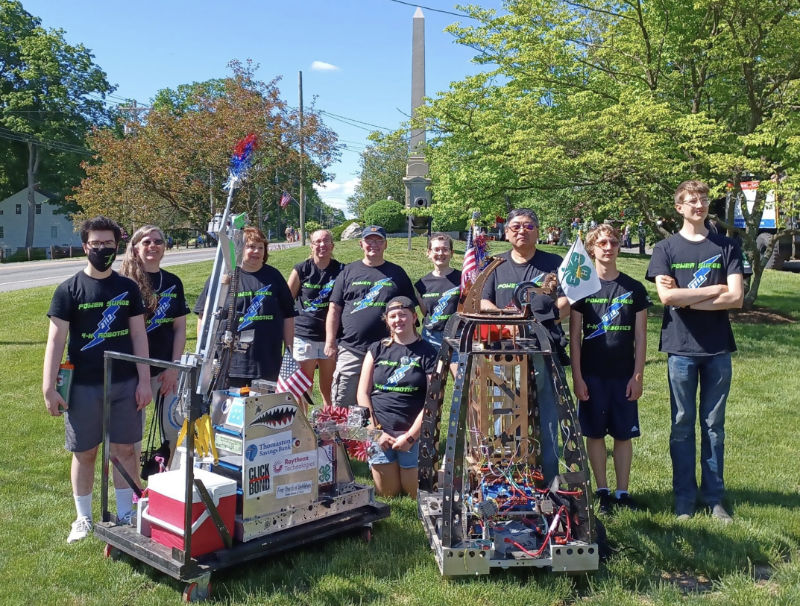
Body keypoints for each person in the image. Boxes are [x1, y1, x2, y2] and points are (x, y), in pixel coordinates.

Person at [43, 216, 152, 543]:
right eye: (96, 244)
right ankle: (83, 518)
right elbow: (56, 340)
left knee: (124, 451)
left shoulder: (127, 288)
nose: (102, 249)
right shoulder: (69, 290)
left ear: (117, 246)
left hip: (125, 384)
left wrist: (144, 380)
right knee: (85, 452)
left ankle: (125, 513)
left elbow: (139, 335)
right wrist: (49, 386)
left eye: (109, 244)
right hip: (84, 387)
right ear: (85, 246)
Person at [646, 180, 744, 522]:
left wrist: (688, 298)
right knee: (682, 424)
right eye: (690, 200)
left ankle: (715, 498)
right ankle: (685, 498)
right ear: (679, 207)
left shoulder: (727, 246)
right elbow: (666, 299)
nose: (698, 205)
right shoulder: (665, 249)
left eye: (702, 199)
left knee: (714, 425)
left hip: (718, 349)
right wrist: (714, 290)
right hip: (681, 349)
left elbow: (735, 298)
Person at [480, 208, 568, 482]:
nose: (522, 231)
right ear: (506, 232)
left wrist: (537, 320)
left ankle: (551, 484)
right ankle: (506, 484)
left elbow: (567, 302)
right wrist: (508, 323)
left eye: (528, 226)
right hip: (503, 356)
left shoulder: (554, 263)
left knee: (548, 420)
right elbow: (483, 302)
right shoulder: (494, 265)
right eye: (515, 226)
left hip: (544, 351)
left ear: (538, 231)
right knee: (502, 420)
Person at [570, 225, 651, 514]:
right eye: (602, 242)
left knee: (623, 434)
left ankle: (622, 491)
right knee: (594, 434)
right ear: (592, 248)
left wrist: (637, 376)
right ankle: (602, 490)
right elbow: (575, 338)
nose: (608, 247)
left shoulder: (634, 289)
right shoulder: (583, 290)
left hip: (623, 374)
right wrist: (577, 377)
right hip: (592, 375)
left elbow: (641, 337)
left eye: (613, 242)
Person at [325, 225, 417, 408]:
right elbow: (334, 309)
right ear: (361, 243)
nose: (373, 244)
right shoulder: (348, 272)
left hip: (387, 349)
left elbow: (410, 311)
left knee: (385, 399)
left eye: (378, 240)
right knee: (344, 399)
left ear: (385, 245)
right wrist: (330, 340)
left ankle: (379, 433)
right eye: (369, 240)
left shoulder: (397, 273)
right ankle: (343, 436)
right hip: (352, 348)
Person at [357, 296, 437, 498]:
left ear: (414, 317)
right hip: (381, 432)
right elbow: (362, 394)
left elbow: (432, 400)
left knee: (413, 494)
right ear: (387, 320)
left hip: (411, 433)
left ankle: (444, 473)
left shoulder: (428, 352)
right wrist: (376, 433)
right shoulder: (376, 349)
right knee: (388, 494)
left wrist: (410, 437)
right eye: (392, 316)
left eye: (403, 314)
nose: (398, 320)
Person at [195, 226, 295, 387]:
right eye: (251, 246)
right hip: (229, 363)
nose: (256, 251)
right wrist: (206, 353)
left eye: (260, 247)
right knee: (229, 410)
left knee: (266, 410)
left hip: (268, 361)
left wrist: (289, 351)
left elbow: (288, 315)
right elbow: (204, 317)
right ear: (240, 249)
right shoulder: (224, 277)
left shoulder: (274, 277)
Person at [120, 225, 190, 450]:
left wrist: (173, 367)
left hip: (165, 370)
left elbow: (179, 328)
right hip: (131, 371)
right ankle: (131, 485)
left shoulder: (173, 282)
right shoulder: (124, 283)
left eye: (158, 242)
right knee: (131, 438)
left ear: (164, 247)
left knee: (174, 430)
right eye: (147, 242)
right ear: (135, 247)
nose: (153, 246)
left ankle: (166, 478)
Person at [286, 229, 343, 408]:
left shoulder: (342, 270)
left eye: (326, 241)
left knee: (329, 389)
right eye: (317, 242)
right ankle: (303, 429)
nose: (322, 245)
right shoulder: (301, 269)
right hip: (304, 335)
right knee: (303, 389)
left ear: (332, 246)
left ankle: (328, 425)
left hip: (331, 338)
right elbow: (287, 301)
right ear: (311, 246)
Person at [414, 232, 461, 349]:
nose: (441, 253)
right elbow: (425, 312)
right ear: (429, 253)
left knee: (459, 367)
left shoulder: (463, 279)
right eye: (436, 249)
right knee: (432, 368)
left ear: (452, 253)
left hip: (457, 336)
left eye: (445, 249)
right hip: (431, 337)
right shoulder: (422, 284)